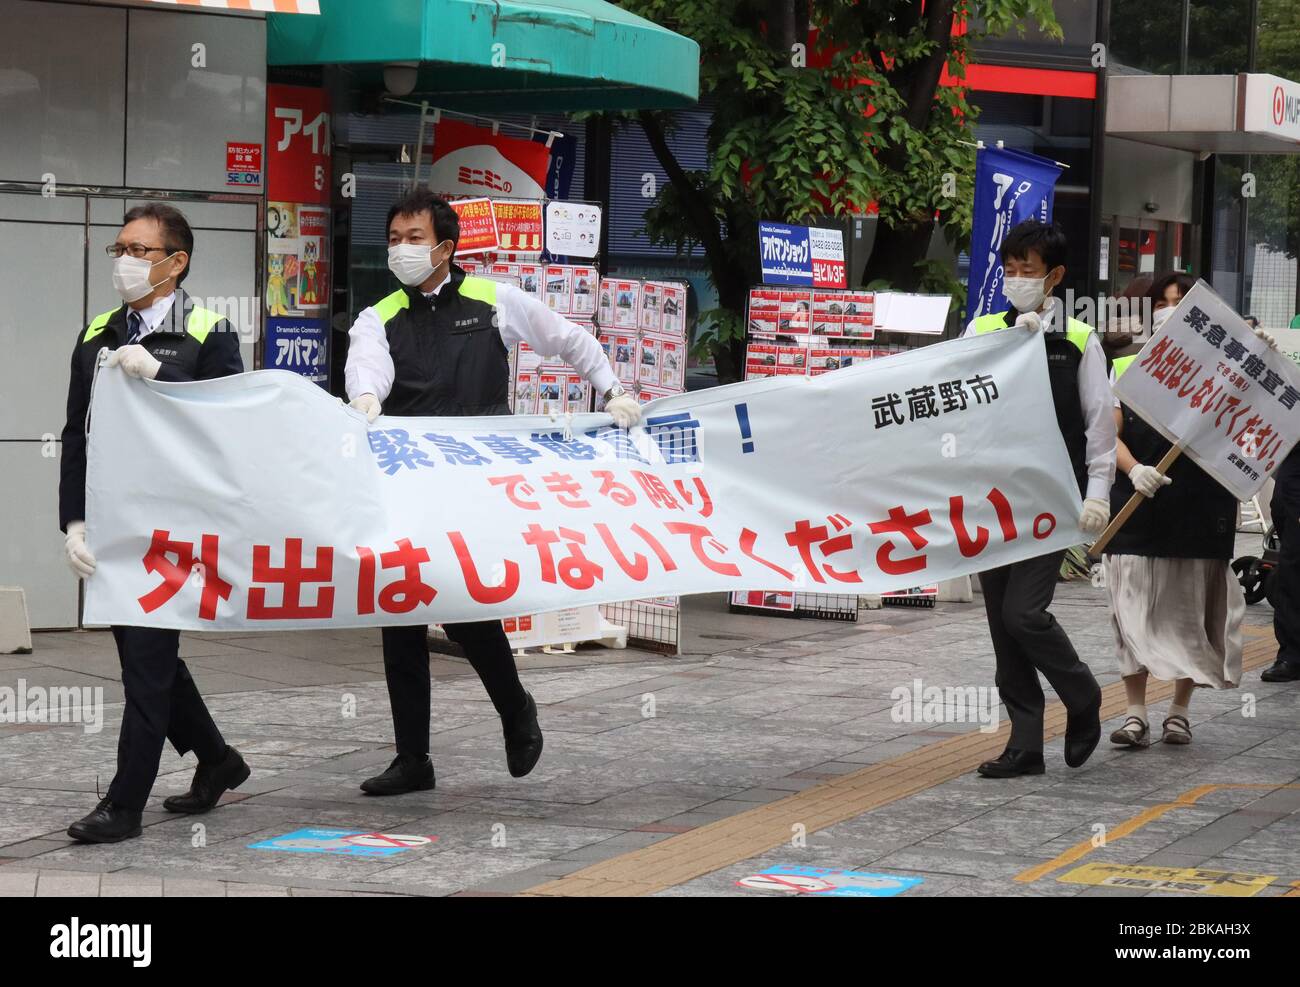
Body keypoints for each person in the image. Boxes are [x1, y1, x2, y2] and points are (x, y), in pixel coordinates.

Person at [345, 187, 643, 795]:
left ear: (446, 247)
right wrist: (366, 398)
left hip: (476, 480)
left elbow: (571, 341)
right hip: (408, 480)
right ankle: (413, 759)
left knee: (461, 607)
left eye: (414, 239)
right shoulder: (379, 318)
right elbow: (365, 367)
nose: (401, 250)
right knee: (398, 612)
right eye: (395, 239)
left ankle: (515, 709)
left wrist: (612, 391)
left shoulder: (493, 301)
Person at [59, 203, 249, 843]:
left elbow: (231, 422)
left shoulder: (210, 328)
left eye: (139, 251)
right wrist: (74, 522)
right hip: (116, 521)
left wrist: (161, 373)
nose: (124, 262)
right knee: (149, 655)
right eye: (119, 249)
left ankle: (124, 805)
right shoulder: (96, 334)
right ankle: (219, 761)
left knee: (145, 660)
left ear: (176, 262)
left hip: (178, 524)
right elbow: (75, 436)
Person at [963, 220, 1117, 778]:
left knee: (1024, 615)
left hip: (1051, 501)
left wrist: (1097, 493)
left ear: (1054, 277)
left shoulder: (1078, 340)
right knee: (1003, 631)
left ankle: (1083, 694)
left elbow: (1099, 428)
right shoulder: (982, 328)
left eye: (1027, 270)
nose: (1016, 278)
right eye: (1009, 268)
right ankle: (1026, 743)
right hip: (992, 501)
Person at [1103, 273, 1278, 743]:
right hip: (1138, 509)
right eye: (1162, 302)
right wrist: (1134, 467)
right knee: (1131, 613)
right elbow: (1105, 434)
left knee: (1189, 615)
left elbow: (1261, 423)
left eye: (1181, 302)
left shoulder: (1228, 371)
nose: (1171, 310)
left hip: (1201, 511)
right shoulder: (1125, 368)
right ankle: (1134, 713)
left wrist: (1261, 358)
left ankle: (1179, 710)